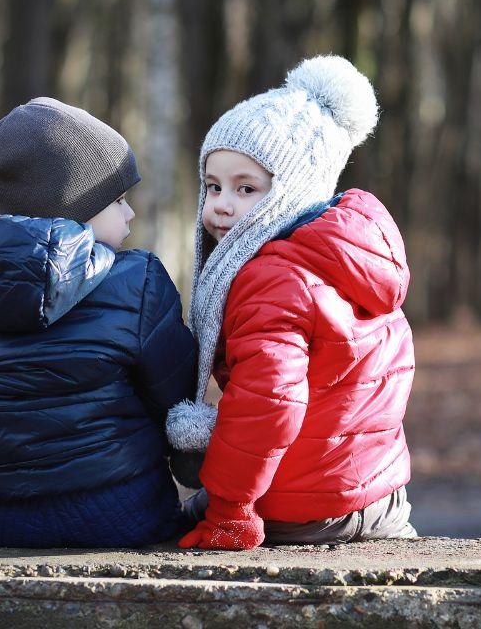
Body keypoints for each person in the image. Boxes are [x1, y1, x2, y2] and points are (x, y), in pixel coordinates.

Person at [0, 97, 197, 548]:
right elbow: (174, 398)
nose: (130, 212)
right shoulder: (140, 281)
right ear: (76, 207)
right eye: (117, 198)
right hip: (119, 508)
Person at [166, 56, 417, 549]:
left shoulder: (272, 279)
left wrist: (231, 510)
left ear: (293, 191)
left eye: (246, 188)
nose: (220, 203)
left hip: (307, 505)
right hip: (379, 493)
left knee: (162, 522)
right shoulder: (348, 255)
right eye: (212, 186)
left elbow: (268, 404)